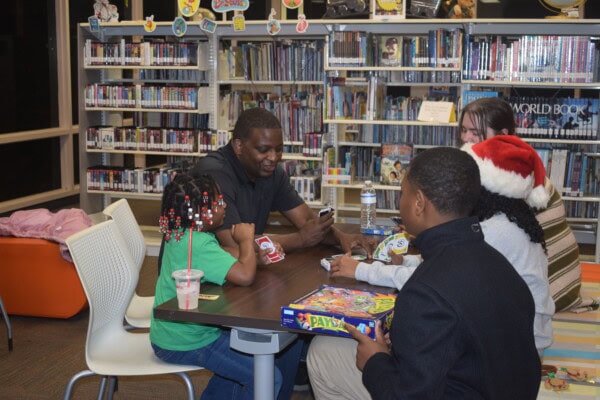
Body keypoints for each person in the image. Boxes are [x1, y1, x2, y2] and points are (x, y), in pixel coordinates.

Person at [308, 147, 541, 399]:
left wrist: (375, 362)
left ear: (419, 203)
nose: (401, 202)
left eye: (402, 194)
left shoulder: (425, 291)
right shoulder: (501, 266)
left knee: (323, 353)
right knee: (330, 346)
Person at [150, 173, 296, 400]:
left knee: (245, 364)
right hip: (187, 340)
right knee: (266, 377)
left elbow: (227, 259)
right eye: (218, 202)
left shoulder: (180, 234)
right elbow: (245, 276)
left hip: (173, 332)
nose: (225, 204)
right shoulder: (199, 243)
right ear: (199, 214)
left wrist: (256, 258)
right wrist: (246, 240)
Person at [460, 97, 593, 312]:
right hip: (544, 283)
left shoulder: (511, 181)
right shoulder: (512, 166)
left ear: (503, 135)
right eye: (464, 130)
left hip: (549, 292)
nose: (466, 138)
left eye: (475, 132)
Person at [190, 107, 375, 258]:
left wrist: (342, 238)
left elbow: (307, 221)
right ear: (238, 146)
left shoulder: (272, 173)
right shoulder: (214, 175)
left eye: (279, 150)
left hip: (241, 269)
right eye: (264, 150)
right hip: (199, 278)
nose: (273, 157)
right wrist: (300, 239)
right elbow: (233, 243)